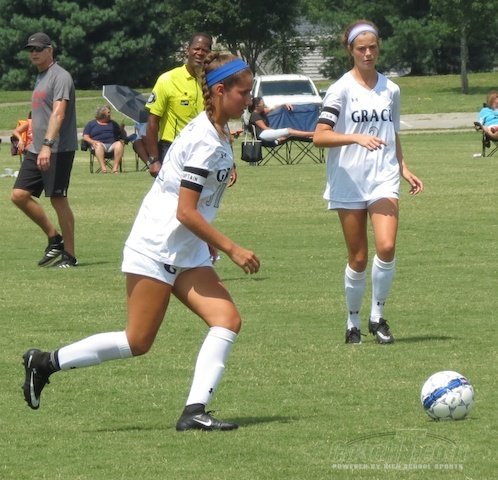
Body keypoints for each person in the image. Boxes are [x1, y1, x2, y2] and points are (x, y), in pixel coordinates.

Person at [22, 52, 259, 431]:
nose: (249, 99)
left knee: (227, 320)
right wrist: (231, 247)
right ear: (220, 91)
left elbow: (194, 202)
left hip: (186, 248)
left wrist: (206, 238)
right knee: (137, 341)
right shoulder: (204, 139)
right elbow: (185, 211)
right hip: (157, 245)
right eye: (243, 93)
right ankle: (45, 362)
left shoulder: (216, 131)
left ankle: (194, 412)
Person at [313, 20, 424, 345]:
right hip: (349, 179)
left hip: (383, 178)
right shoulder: (340, 89)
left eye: (372, 47)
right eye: (361, 48)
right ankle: (353, 322)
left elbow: (393, 133)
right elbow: (320, 137)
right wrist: (355, 138)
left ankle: (377, 318)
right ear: (350, 50)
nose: (368, 53)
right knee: (359, 257)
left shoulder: (391, 89)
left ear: (379, 48)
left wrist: (403, 167)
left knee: (386, 247)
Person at [11, 32, 78, 268]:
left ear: (50, 50)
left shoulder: (61, 76)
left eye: (38, 49)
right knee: (19, 195)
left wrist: (48, 146)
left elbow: (58, 113)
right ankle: (54, 238)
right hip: (36, 147)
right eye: (31, 49)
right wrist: (38, 146)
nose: (34, 53)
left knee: (58, 199)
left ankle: (69, 255)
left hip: (57, 148)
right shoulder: (41, 76)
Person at [144, 33, 213, 177]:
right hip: (172, 149)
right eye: (196, 49)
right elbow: (152, 121)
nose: (200, 53)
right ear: (188, 50)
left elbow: (217, 121)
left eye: (205, 50)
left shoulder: (211, 82)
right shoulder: (167, 79)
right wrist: (154, 159)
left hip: (202, 150)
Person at [248, 97, 315, 144]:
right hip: (262, 135)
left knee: (288, 134)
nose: (264, 105)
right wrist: (278, 135)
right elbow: (265, 128)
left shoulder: (262, 112)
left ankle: (310, 135)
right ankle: (313, 134)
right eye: (262, 103)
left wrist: (284, 104)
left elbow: (273, 107)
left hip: (266, 133)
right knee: (288, 131)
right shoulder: (255, 115)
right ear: (257, 106)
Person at [82, 105, 125, 173]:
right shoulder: (91, 124)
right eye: (108, 112)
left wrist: (122, 129)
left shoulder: (113, 124)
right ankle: (103, 168)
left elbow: (122, 136)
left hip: (112, 145)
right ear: (102, 114)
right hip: (98, 145)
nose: (110, 114)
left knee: (119, 144)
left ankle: (115, 168)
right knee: (98, 145)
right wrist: (92, 142)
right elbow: (85, 137)